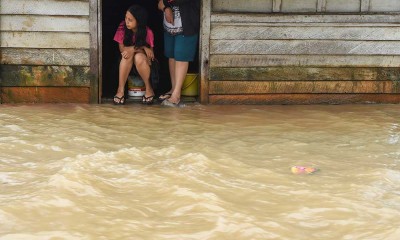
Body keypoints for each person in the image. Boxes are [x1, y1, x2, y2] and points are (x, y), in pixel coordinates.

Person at [157, 0, 200, 107]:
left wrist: (165, 4)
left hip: (187, 24)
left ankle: (176, 94)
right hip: (170, 26)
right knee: (171, 56)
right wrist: (166, 8)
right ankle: (173, 88)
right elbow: (160, 3)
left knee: (181, 56)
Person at [113, 5, 156, 105]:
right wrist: (142, 47)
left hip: (144, 64)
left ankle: (149, 89)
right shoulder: (122, 27)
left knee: (139, 57)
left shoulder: (148, 32)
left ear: (139, 21)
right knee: (127, 55)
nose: (127, 21)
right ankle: (120, 90)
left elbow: (150, 57)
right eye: (126, 18)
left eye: (130, 20)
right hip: (125, 62)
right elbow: (122, 49)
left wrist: (136, 50)